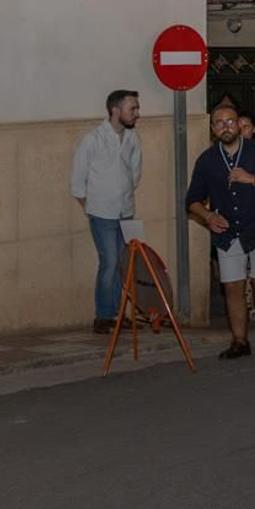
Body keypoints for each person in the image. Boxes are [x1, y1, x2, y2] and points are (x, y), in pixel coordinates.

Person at [185, 104, 255, 359]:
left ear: (239, 125)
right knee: (233, 287)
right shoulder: (207, 160)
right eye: (220, 123)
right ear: (213, 129)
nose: (226, 127)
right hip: (228, 231)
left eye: (231, 121)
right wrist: (208, 216)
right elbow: (192, 200)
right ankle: (240, 341)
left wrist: (251, 178)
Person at [70, 89, 142, 333]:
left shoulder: (132, 138)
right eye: (132, 108)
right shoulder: (93, 139)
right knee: (109, 262)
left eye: (136, 108)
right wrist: (91, 207)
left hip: (126, 211)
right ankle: (103, 316)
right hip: (102, 213)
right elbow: (78, 179)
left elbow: (135, 172)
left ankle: (118, 314)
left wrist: (124, 195)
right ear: (115, 110)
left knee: (124, 264)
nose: (137, 113)